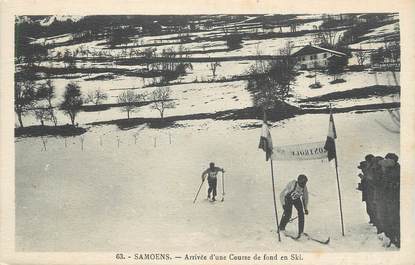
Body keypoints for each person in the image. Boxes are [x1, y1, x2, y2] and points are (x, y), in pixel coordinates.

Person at [279, 174, 309, 238]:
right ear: (299, 181)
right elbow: (282, 194)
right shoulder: (292, 184)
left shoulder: (304, 187)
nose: (303, 185)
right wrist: (283, 204)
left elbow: (305, 198)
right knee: (288, 213)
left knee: (301, 213)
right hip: (288, 199)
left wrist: (305, 208)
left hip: (296, 199)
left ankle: (301, 232)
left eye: (305, 183)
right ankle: (281, 228)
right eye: (302, 183)